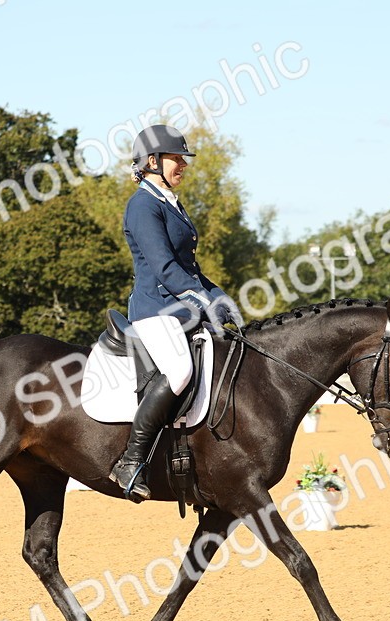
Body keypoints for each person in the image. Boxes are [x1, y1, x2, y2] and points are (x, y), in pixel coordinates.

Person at [109, 124, 241, 502]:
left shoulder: (169, 202)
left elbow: (190, 268)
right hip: (156, 309)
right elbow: (166, 268)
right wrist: (204, 302)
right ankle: (131, 461)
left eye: (183, 159)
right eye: (176, 158)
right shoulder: (143, 205)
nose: (183, 164)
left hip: (180, 308)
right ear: (152, 161)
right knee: (180, 370)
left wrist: (222, 299)